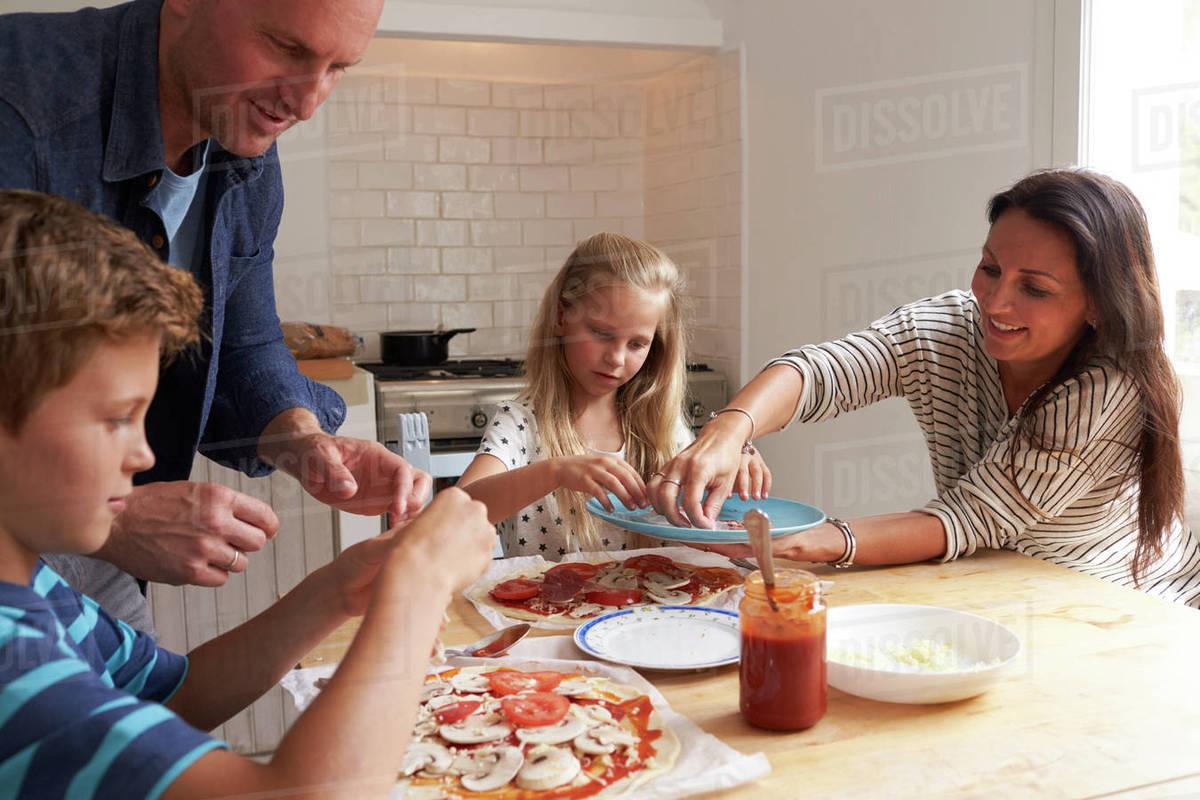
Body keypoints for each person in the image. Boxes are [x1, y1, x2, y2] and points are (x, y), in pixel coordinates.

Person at [0, 189, 496, 800]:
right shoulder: (12, 664)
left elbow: (173, 695)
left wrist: (337, 591)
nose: (143, 455)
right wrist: (418, 586)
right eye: (116, 418)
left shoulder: (38, 590)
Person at [0, 0, 431, 631]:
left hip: (87, 566)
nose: (307, 102)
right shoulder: (18, 107)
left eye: (338, 68)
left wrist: (303, 440)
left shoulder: (241, 138)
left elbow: (243, 343)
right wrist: (114, 516)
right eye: (287, 48)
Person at [650, 169, 1200, 608]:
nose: (996, 302)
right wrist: (729, 429)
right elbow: (824, 371)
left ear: (1099, 304)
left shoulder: (1111, 388)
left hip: (1118, 606)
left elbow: (968, 518)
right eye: (991, 268)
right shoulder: (951, 327)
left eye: (1034, 288)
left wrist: (798, 542)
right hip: (1000, 583)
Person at [457, 232, 771, 557]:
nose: (616, 359)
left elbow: (698, 524)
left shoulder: (661, 424)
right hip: (543, 593)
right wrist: (554, 472)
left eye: (637, 344)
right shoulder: (520, 423)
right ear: (561, 317)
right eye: (601, 333)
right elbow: (456, 514)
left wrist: (730, 460)